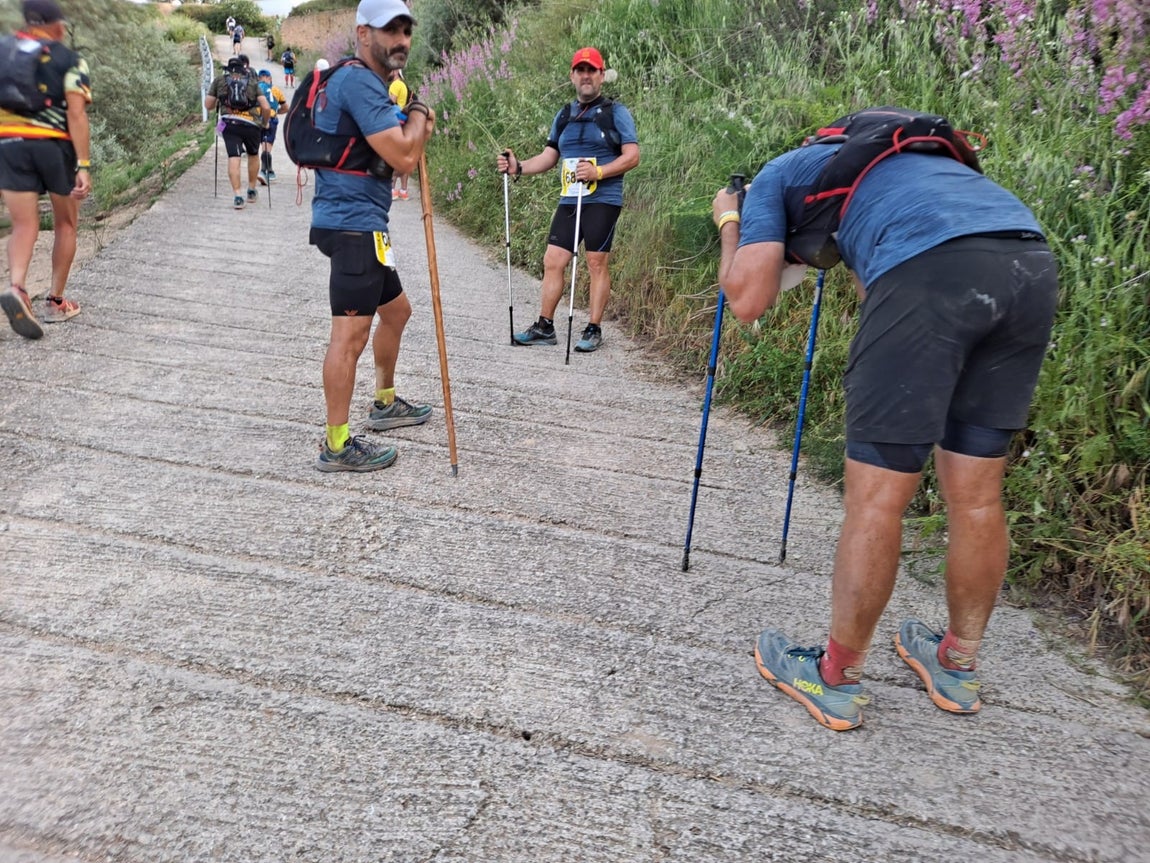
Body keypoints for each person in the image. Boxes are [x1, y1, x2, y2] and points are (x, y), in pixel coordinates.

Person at [711, 109, 1059, 731]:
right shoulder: (922, 163)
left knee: (878, 498)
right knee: (977, 497)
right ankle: (956, 663)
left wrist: (729, 219)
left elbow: (747, 299)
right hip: (1027, 263)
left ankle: (835, 677)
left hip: (929, 272)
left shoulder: (782, 172)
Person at [308, 0, 435, 472]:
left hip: (365, 224)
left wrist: (411, 124)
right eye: (389, 30)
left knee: (397, 312)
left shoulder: (365, 82)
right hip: (352, 226)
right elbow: (403, 157)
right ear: (363, 34)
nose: (400, 39)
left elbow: (392, 149)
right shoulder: (360, 82)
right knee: (350, 335)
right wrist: (419, 113)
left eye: (405, 29)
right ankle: (337, 445)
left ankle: (384, 404)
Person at [496, 47, 639, 353]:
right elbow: (549, 157)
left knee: (596, 262)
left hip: (603, 199)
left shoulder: (617, 113)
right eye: (580, 70)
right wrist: (518, 167)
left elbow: (632, 157)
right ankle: (545, 326)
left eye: (592, 70)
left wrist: (599, 171)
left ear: (601, 76)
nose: (586, 76)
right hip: (570, 198)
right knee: (553, 260)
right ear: (573, 76)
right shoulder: (564, 114)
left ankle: (593, 327)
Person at [0, 0, 92, 340]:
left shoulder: (3, 51)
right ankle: (55, 303)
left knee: (24, 224)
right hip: (53, 147)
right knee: (66, 223)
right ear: (55, 25)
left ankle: (17, 287)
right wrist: (83, 164)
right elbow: (76, 114)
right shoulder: (69, 58)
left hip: (8, 144)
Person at [204, 56, 271, 210]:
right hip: (251, 124)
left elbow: (208, 105)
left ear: (228, 69)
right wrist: (265, 122)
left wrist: (219, 100)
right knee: (253, 155)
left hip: (230, 124)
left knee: (234, 157)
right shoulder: (253, 82)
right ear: (243, 68)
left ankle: (237, 196)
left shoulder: (220, 81)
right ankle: (252, 191)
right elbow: (266, 107)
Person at [256, 69, 286, 183]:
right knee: (266, 147)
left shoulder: (256, 88)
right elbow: (286, 107)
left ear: (259, 78)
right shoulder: (276, 90)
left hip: (258, 119)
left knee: (258, 147)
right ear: (269, 78)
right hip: (272, 119)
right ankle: (268, 171)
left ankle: (265, 171)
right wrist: (276, 112)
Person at [387, 68, 411, 201]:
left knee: (392, 156)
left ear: (395, 71)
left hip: (395, 122)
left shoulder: (395, 85)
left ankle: (392, 190)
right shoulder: (403, 85)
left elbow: (391, 102)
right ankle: (404, 190)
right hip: (404, 121)